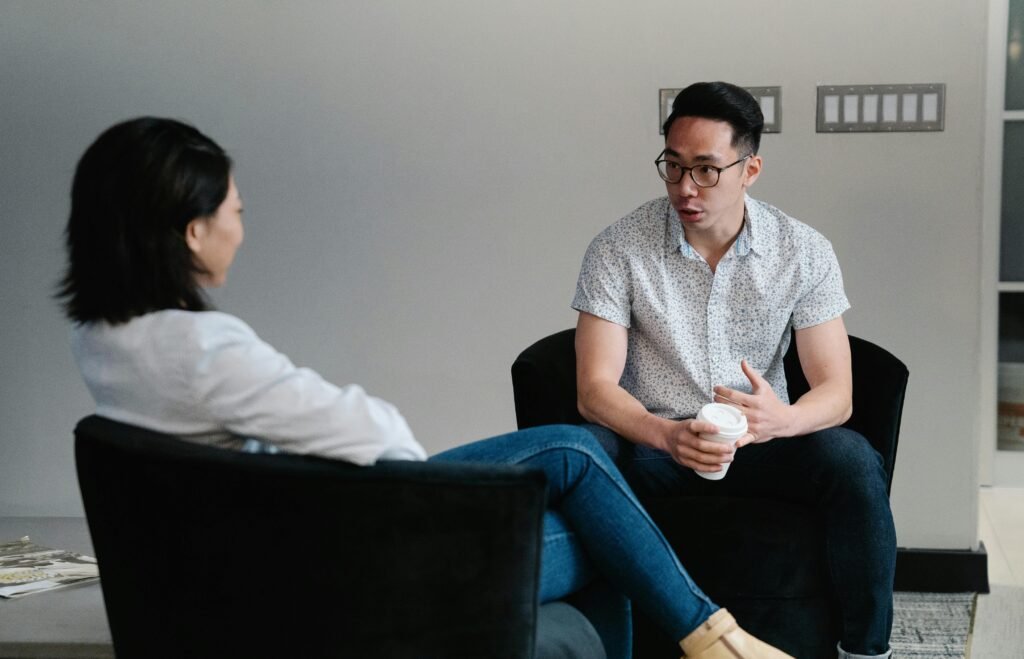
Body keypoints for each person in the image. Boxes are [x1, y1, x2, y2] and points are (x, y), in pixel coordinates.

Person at [58, 116, 790, 659]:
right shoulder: (200, 346)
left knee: (572, 446)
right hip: (338, 559)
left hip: (272, 538)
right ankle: (715, 639)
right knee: (607, 534)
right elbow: (380, 439)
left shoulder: (106, 337)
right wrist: (436, 508)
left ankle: (710, 637)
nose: (241, 226)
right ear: (191, 230)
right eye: (235, 211)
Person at [571, 81, 896, 659]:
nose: (685, 188)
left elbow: (837, 393)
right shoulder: (618, 247)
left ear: (750, 169)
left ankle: (866, 651)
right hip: (657, 445)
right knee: (585, 451)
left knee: (850, 459)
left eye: (705, 169)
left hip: (761, 442)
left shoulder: (802, 249)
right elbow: (595, 390)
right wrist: (666, 434)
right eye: (672, 167)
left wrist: (782, 421)